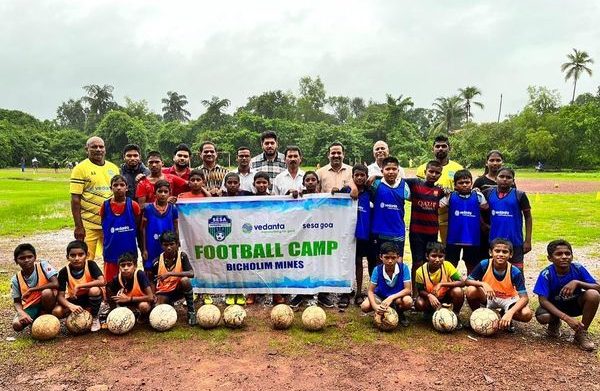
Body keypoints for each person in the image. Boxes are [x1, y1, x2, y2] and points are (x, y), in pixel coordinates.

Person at [534, 239, 600, 351]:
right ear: (550, 258)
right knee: (543, 316)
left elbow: (598, 287)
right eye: (559, 254)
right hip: (555, 307)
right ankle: (554, 322)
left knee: (593, 295)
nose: (564, 257)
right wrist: (566, 318)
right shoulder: (546, 274)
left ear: (572, 256)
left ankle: (581, 333)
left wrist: (577, 282)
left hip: (575, 305)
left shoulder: (578, 269)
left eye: (567, 253)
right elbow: (543, 300)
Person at [288, 172, 335, 308]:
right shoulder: (297, 197)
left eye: (313, 179)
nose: (310, 182)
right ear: (303, 183)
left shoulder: (325, 198)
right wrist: (291, 194)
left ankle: (322, 295)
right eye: (307, 180)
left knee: (320, 264)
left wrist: (337, 194)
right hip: (302, 237)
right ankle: (300, 294)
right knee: (302, 264)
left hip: (320, 236)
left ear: (317, 182)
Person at [465, 239, 532, 332]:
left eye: (505, 252)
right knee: (471, 290)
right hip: (489, 296)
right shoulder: (484, 264)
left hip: (508, 300)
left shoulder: (515, 271)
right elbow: (467, 281)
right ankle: (477, 315)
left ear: (510, 255)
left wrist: (510, 313)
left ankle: (505, 314)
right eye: (497, 251)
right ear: (490, 252)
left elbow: (524, 298)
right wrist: (483, 284)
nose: (500, 254)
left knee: (526, 314)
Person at [70, 136, 119, 261]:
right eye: (94, 147)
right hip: (88, 224)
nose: (98, 149)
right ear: (87, 149)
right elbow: (75, 199)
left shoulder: (113, 168)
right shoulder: (80, 169)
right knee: (85, 259)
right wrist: (78, 226)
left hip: (109, 223)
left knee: (112, 258)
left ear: (105, 149)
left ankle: (109, 281)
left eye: (101, 147)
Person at [335, 164, 374, 307]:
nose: (359, 177)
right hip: (347, 234)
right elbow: (334, 202)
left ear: (366, 176)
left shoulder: (370, 192)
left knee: (359, 262)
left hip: (364, 233)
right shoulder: (346, 190)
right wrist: (334, 191)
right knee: (347, 262)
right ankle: (345, 292)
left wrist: (375, 177)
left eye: (362, 175)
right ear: (352, 177)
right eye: (356, 175)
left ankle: (359, 292)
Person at [404, 160, 444, 289]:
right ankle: (414, 292)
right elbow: (396, 179)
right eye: (431, 171)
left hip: (432, 232)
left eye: (437, 173)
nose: (433, 174)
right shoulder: (415, 184)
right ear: (425, 171)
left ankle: (428, 290)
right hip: (416, 232)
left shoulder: (440, 191)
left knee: (430, 262)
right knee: (417, 262)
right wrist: (375, 177)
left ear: (440, 175)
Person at [416, 135, 463, 243]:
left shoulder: (458, 168)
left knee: (447, 249)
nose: (440, 148)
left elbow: (462, 191)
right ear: (433, 149)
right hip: (426, 216)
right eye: (437, 146)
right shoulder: (422, 169)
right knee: (428, 248)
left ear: (449, 148)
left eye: (444, 146)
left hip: (449, 218)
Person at [482, 167, 532, 271]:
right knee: (495, 269)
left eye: (508, 177)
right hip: (494, 240)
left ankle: (518, 288)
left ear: (513, 181)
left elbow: (528, 217)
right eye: (501, 176)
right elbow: (476, 207)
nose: (505, 179)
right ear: (496, 178)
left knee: (517, 271)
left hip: (515, 240)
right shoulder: (487, 193)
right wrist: (483, 224)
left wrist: (527, 241)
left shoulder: (520, 195)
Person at [439, 169, 488, 275]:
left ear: (471, 183)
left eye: (467, 182)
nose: (465, 185)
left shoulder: (478, 196)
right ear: (455, 185)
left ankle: (471, 287)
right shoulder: (450, 196)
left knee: (472, 264)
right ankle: (450, 287)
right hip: (453, 238)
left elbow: (486, 207)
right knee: (450, 264)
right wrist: (442, 192)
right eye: (461, 183)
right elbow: (438, 205)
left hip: (472, 238)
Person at [53, 240, 105, 332]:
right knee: (57, 311)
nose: (77, 258)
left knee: (95, 290)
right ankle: (75, 317)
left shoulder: (91, 265)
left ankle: (94, 317)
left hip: (90, 298)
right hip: (75, 299)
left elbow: (102, 281)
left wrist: (80, 286)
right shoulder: (64, 271)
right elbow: (60, 296)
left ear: (87, 255)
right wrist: (70, 306)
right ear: (67, 257)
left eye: (81, 255)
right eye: (73, 255)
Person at [360, 242, 413, 327]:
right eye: (387, 257)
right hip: (380, 297)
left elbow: (408, 289)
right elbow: (370, 291)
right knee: (364, 306)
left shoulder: (404, 268)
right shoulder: (377, 270)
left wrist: (391, 298)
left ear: (398, 257)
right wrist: (375, 306)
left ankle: (399, 313)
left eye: (393, 258)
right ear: (381, 257)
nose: (390, 261)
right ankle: (380, 313)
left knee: (408, 301)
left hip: (396, 298)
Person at [100, 175, 141, 283]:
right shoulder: (105, 206)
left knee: (130, 279)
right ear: (111, 188)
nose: (119, 188)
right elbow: (104, 226)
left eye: (122, 185)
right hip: (111, 250)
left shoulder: (133, 205)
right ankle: (110, 298)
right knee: (110, 281)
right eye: (115, 185)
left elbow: (138, 226)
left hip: (129, 249)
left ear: (127, 188)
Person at [369, 156, 411, 257]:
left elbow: (412, 198)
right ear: (382, 170)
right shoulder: (376, 184)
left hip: (397, 231)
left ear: (398, 170)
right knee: (379, 262)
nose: (391, 172)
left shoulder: (404, 185)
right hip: (379, 231)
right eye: (388, 169)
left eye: (394, 169)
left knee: (398, 261)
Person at [11, 244, 59, 331]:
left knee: (47, 292)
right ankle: (36, 316)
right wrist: (21, 313)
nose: (26, 260)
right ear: (16, 261)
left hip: (49, 301)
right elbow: (17, 301)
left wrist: (32, 289)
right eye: (22, 258)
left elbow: (55, 283)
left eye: (30, 257)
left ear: (35, 257)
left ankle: (46, 315)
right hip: (32, 305)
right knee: (16, 325)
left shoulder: (43, 265)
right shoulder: (16, 279)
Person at [152, 231, 196, 325]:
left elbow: (191, 273)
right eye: (165, 245)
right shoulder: (156, 261)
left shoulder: (182, 256)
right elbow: (152, 280)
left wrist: (170, 274)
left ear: (177, 244)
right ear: (161, 246)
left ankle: (191, 312)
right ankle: (168, 305)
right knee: (156, 310)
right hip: (164, 292)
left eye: (172, 244)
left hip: (178, 289)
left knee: (185, 280)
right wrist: (153, 295)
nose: (169, 248)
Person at [414, 242, 465, 323]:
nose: (437, 260)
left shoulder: (447, 265)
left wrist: (441, 284)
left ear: (444, 257)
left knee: (458, 291)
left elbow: (462, 282)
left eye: (440, 256)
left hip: (446, 296)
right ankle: (429, 312)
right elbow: (420, 291)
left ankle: (455, 315)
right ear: (427, 256)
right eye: (433, 256)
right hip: (431, 298)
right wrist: (429, 295)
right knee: (419, 303)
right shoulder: (420, 271)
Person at [141, 180, 179, 277]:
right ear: (155, 193)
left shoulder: (172, 208)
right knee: (150, 269)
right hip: (152, 244)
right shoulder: (148, 209)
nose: (163, 194)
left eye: (165, 192)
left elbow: (176, 227)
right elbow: (143, 229)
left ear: (169, 193)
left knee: (168, 266)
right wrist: (144, 249)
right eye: (160, 191)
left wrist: (177, 242)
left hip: (168, 245)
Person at [473, 150, 505, 264]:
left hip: (501, 224)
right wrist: (483, 224)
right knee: (483, 257)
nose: (495, 163)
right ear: (486, 163)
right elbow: (474, 205)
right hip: (484, 226)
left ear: (502, 162)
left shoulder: (507, 180)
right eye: (492, 160)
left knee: (500, 256)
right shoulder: (480, 181)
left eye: (498, 160)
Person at [106, 252, 154, 320]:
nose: (126, 268)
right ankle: (128, 313)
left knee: (144, 306)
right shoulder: (116, 278)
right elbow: (110, 294)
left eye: (129, 265)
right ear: (119, 267)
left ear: (135, 266)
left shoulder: (140, 275)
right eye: (123, 265)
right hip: (127, 302)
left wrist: (129, 299)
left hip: (142, 301)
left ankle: (144, 315)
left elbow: (150, 297)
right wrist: (113, 309)